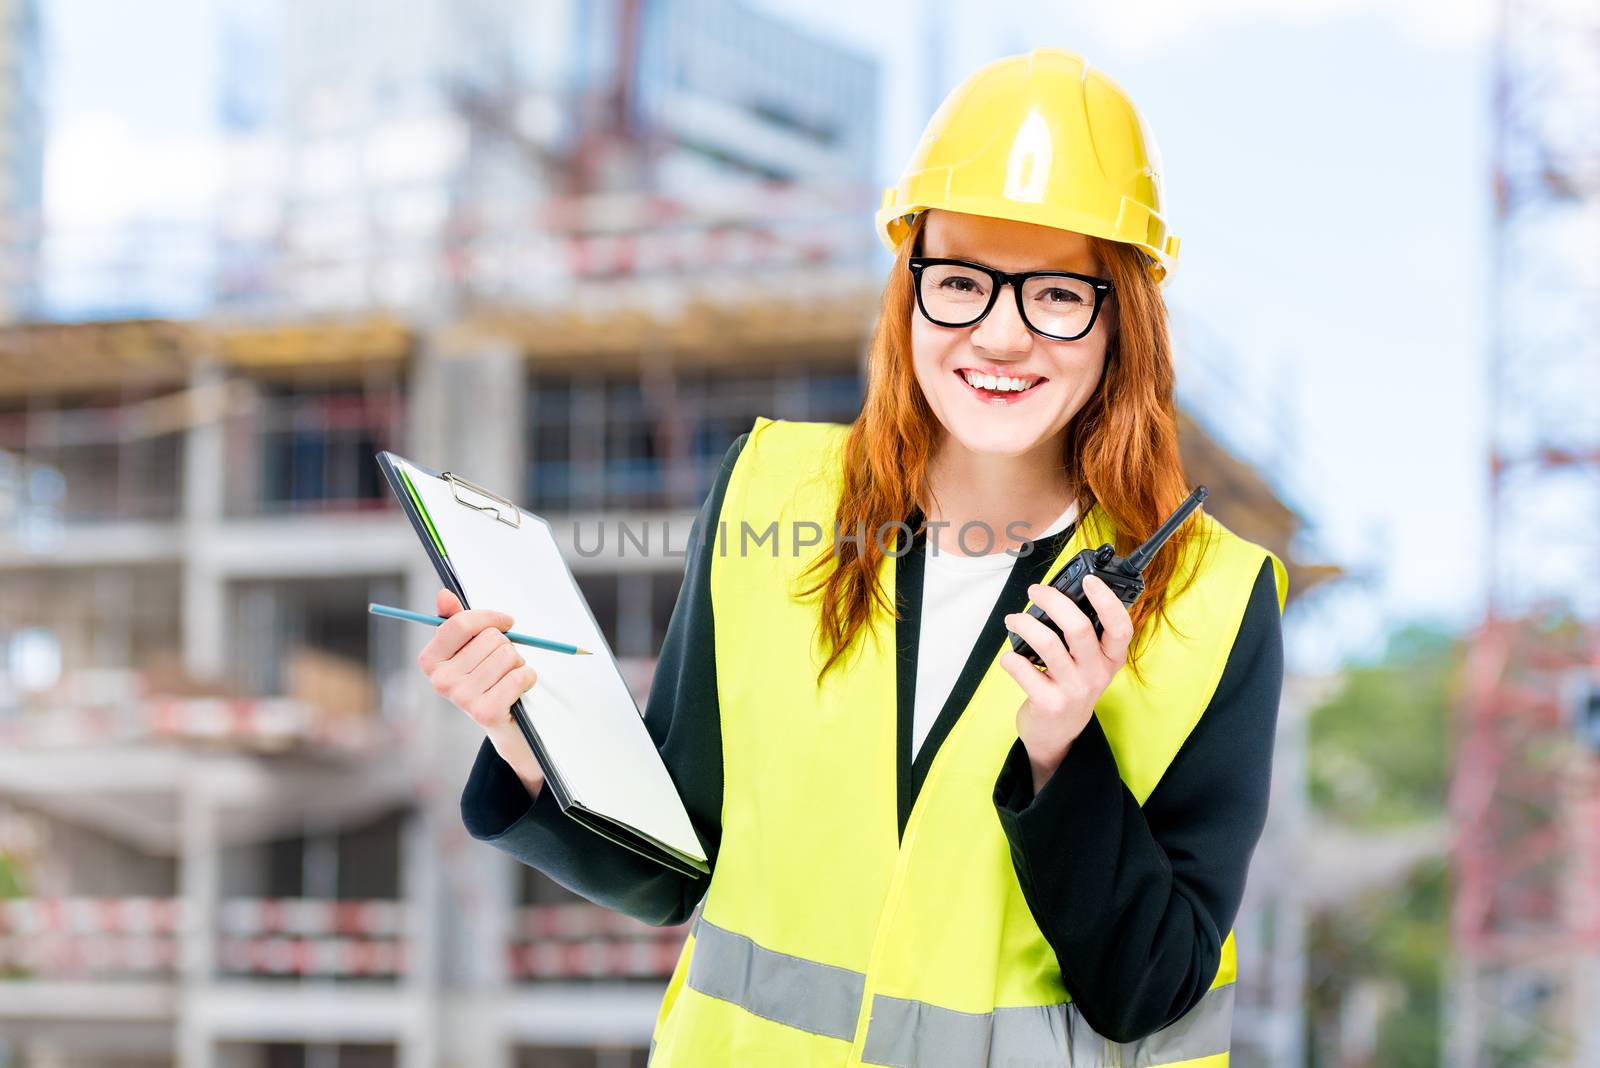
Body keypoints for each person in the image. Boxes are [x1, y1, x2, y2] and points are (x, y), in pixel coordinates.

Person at [416, 47, 1286, 1068]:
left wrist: (1062, 755)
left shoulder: (1212, 604)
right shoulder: (767, 492)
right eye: (959, 282)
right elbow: (673, 869)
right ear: (908, 294)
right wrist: (526, 733)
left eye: (1055, 295)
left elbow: (1151, 989)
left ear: (1120, 323)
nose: (1000, 337)